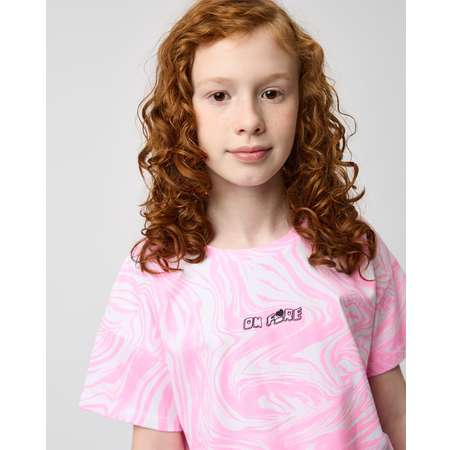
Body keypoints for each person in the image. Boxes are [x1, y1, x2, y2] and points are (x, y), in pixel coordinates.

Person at [78, 1, 406, 449]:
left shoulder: (352, 246)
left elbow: (400, 414)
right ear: (184, 109)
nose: (249, 121)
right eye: (219, 96)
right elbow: (155, 440)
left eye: (272, 93)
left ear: (303, 101)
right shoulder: (155, 273)